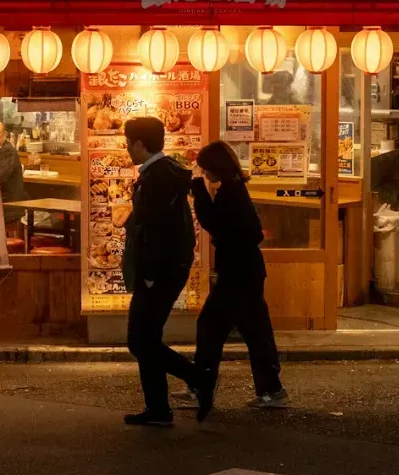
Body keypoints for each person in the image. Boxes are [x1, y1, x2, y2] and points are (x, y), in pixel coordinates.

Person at [188, 141, 286, 415]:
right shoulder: (232, 188)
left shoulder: (231, 192)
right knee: (227, 329)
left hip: (240, 273)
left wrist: (198, 192)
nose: (204, 173)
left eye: (206, 168)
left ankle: (269, 390)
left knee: (236, 330)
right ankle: (204, 386)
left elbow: (218, 224)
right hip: (242, 271)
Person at [118, 115, 201, 427]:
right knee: (145, 338)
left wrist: (150, 273)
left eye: (128, 143)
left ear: (140, 144)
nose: (127, 149)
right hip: (167, 268)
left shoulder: (157, 178)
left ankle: (197, 378)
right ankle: (158, 408)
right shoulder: (162, 173)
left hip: (159, 271)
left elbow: (156, 231)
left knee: (141, 340)